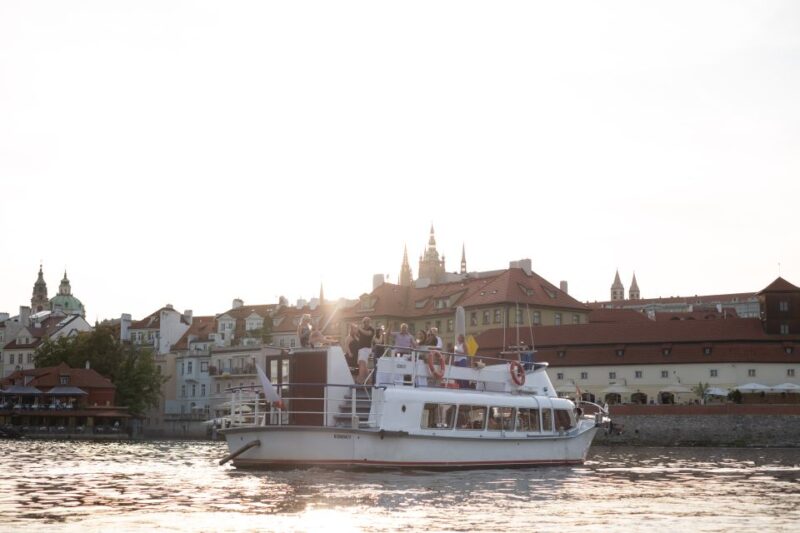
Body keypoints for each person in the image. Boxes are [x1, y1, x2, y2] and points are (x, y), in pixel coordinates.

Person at [356, 317, 375, 384]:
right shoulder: (362, 329)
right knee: (364, 364)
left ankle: (361, 379)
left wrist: (359, 329)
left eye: (365, 322)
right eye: (363, 322)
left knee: (362, 362)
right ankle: (368, 380)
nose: (363, 323)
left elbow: (368, 334)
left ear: (369, 322)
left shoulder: (371, 329)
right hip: (361, 349)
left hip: (366, 349)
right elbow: (357, 334)